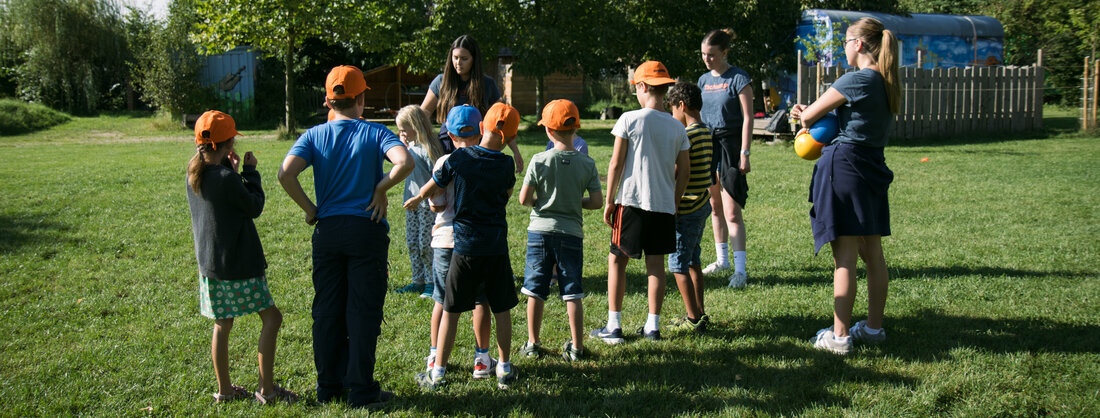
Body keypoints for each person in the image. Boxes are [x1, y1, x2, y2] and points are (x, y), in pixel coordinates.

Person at [277, 65, 413, 408]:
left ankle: (329, 387)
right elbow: (405, 162)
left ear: (328, 101)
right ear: (362, 99)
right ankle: (362, 390)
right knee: (363, 311)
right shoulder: (374, 133)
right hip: (366, 230)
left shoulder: (313, 135)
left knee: (326, 311)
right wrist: (381, 187)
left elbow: (285, 174)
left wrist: (311, 209)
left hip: (328, 233)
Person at [789, 17, 899, 355]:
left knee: (846, 258)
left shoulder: (856, 79)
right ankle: (873, 329)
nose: (844, 49)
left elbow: (808, 118)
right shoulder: (886, 81)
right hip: (871, 167)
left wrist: (801, 114)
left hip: (845, 168)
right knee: (874, 254)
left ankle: (838, 338)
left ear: (860, 45)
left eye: (846, 43)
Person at [404, 103, 521, 390]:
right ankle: (503, 368)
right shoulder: (506, 164)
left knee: (449, 309)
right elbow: (507, 194)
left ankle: (438, 371)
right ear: (507, 139)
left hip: (463, 247)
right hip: (495, 248)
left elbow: (435, 186)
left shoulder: (457, 160)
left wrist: (419, 197)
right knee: (499, 307)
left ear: (483, 128)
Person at [185, 110, 298, 405]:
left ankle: (224, 391)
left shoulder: (195, 174)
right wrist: (249, 173)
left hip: (212, 267)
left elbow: (226, 203)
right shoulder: (226, 178)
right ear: (229, 143)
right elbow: (253, 206)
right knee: (272, 318)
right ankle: (267, 390)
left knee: (223, 324)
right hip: (239, 265)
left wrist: (234, 174)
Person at [590, 61, 691, 343]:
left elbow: (615, 164)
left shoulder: (629, 119)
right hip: (663, 207)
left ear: (642, 87)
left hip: (631, 202)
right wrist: (675, 200)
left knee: (617, 261)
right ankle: (652, 327)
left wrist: (609, 200)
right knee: (656, 266)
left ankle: (614, 326)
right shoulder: (677, 127)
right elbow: (685, 172)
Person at [418, 104, 499, 383]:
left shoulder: (444, 163)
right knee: (480, 299)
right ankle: (482, 358)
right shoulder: (488, 160)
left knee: (441, 299)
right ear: (480, 131)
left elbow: (436, 204)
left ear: (450, 137)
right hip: (476, 241)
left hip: (445, 239)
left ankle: (434, 355)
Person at [519, 99, 603, 361]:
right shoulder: (587, 163)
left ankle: (533, 343)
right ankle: (577, 348)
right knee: (572, 290)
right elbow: (597, 202)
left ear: (548, 131)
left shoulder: (539, 159)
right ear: (576, 128)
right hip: (571, 234)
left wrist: (541, 202)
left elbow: (524, 199)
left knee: (535, 289)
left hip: (539, 233)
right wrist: (574, 202)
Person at [697, 28, 754, 288]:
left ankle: (740, 271)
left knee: (732, 211)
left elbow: (748, 118)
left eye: (712, 54)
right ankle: (722, 261)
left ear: (725, 52)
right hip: (709, 146)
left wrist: (744, 153)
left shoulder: (739, 78)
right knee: (714, 207)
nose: (707, 59)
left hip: (731, 145)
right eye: (703, 55)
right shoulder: (703, 81)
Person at [420, 34, 524, 173]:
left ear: (473, 60)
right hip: (447, 144)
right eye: (455, 57)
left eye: (464, 58)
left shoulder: (487, 84)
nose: (458, 62)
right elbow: (422, 114)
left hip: (477, 145)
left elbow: (502, 119)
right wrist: (422, 140)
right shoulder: (441, 81)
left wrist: (515, 151)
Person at [665, 82, 714, 334]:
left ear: (681, 106)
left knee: (678, 264)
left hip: (686, 209)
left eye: (673, 110)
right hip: (702, 205)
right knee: (694, 260)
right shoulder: (705, 131)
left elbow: (678, 172)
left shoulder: (687, 136)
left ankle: (693, 318)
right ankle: (700, 311)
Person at [393, 105, 445, 298]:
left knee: (426, 244)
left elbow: (438, 178)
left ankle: (432, 282)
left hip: (426, 206)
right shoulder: (410, 148)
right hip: (411, 204)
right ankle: (418, 280)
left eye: (404, 129)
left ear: (415, 126)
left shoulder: (428, 149)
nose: (401, 133)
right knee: (412, 242)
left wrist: (423, 197)